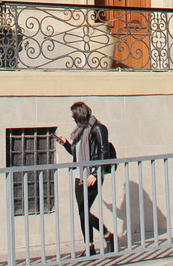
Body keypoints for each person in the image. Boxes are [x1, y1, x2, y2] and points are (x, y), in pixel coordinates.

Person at [56, 101, 115, 255]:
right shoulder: (79, 131)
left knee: (83, 211)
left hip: (92, 175)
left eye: (74, 116)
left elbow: (104, 153)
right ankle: (90, 246)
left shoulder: (98, 128)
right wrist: (65, 144)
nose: (73, 119)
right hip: (80, 175)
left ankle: (108, 236)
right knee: (83, 211)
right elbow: (77, 154)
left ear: (80, 114)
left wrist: (95, 174)